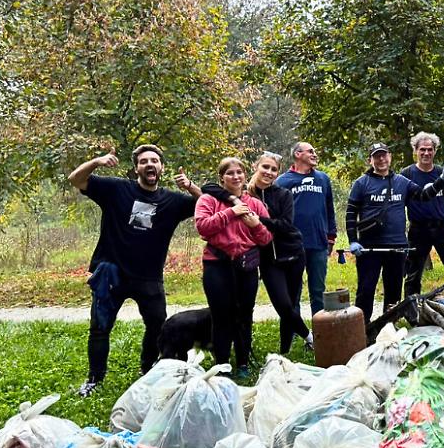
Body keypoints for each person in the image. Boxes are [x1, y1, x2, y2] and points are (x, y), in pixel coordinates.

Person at [67, 145, 201, 397]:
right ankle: (94, 379)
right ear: (136, 167)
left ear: (162, 167)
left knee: (158, 327)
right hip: (111, 273)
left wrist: (190, 186)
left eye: (154, 160)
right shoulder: (117, 189)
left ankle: (147, 370)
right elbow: (76, 179)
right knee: (99, 328)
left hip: (149, 277)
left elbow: (207, 204)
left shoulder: (172, 200)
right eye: (143, 161)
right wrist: (97, 161)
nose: (149, 164)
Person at [207, 152, 312, 354]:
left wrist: (258, 221)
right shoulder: (246, 194)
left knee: (291, 304)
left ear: (278, 173)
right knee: (282, 304)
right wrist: (232, 199)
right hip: (267, 259)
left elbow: (285, 225)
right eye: (265, 167)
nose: (269, 172)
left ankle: (285, 349)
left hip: (292, 254)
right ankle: (310, 337)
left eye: (273, 169)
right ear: (256, 167)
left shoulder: (283, 195)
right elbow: (209, 188)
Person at [345, 142, 444, 316]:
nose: (381, 159)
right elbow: (351, 214)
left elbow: (424, 195)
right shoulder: (361, 183)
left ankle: (389, 330)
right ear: (370, 160)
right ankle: (362, 332)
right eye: (376, 156)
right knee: (365, 292)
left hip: (397, 248)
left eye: (384, 155)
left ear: (390, 157)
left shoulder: (402, 182)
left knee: (393, 295)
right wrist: (353, 241)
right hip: (369, 248)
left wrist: (441, 181)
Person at [193, 157, 273, 377]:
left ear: (245, 176)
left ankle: (244, 363)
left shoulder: (255, 204)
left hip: (246, 266)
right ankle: (222, 363)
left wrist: (255, 225)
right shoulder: (208, 200)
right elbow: (203, 228)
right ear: (222, 178)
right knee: (221, 315)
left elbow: (267, 238)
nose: (236, 177)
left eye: (239, 172)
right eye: (230, 173)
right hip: (217, 265)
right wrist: (230, 213)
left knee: (244, 314)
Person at [274, 141, 336, 315]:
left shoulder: (323, 178)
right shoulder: (282, 181)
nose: (314, 154)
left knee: (318, 291)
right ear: (298, 154)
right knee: (293, 291)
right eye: (310, 151)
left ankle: (319, 330)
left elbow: (329, 208)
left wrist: (331, 236)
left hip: (318, 243)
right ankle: (294, 330)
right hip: (292, 245)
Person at [402, 132, 444, 297]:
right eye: (422, 149)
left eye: (430, 149)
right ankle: (411, 310)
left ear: (435, 151)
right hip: (418, 230)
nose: (426, 153)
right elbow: (400, 206)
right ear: (415, 150)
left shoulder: (442, 173)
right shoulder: (406, 174)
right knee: (413, 275)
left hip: (442, 228)